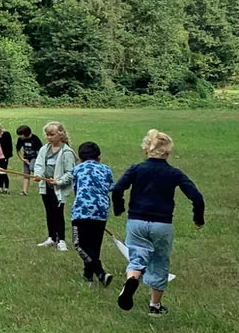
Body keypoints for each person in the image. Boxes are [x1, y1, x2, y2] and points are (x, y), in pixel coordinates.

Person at [111, 129, 204, 316]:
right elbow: (197, 197)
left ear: (146, 150)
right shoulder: (174, 173)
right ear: (167, 152)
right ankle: (155, 306)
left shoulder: (136, 169)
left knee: (137, 257)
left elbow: (117, 189)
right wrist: (198, 219)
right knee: (159, 262)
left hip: (136, 221)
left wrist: (119, 208)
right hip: (162, 224)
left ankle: (132, 280)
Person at [68, 142, 114, 288]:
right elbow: (109, 188)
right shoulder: (106, 169)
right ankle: (88, 275)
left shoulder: (77, 169)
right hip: (101, 210)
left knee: (79, 244)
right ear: (99, 157)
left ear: (80, 158)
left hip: (82, 210)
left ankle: (100, 272)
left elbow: (76, 189)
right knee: (94, 244)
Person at [33, 121, 76, 251]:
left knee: (58, 212)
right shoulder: (44, 149)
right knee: (49, 212)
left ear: (60, 134)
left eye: (52, 134)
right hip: (46, 187)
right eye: (47, 135)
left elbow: (71, 172)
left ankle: (61, 239)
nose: (49, 137)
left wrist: (59, 181)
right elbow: (39, 164)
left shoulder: (66, 152)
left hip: (58, 189)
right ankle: (51, 237)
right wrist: (38, 174)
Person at [15, 125, 42, 196]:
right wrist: (23, 159)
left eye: (21, 134)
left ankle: (42, 184)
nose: (20, 136)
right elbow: (18, 150)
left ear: (26, 133)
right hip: (26, 158)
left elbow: (40, 151)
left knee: (32, 168)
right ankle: (24, 191)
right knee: (26, 174)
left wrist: (39, 161)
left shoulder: (35, 139)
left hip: (34, 158)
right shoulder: (20, 139)